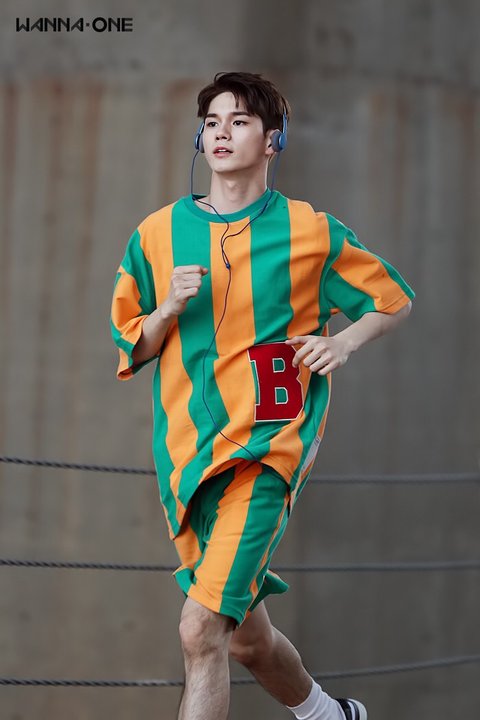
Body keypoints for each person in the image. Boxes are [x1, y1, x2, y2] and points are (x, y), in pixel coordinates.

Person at [110, 71, 414, 720]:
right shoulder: (157, 234)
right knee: (246, 639)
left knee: (200, 629)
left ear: (273, 140)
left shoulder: (311, 231)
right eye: (212, 122)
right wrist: (166, 309)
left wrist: (344, 342)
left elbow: (391, 300)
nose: (221, 133)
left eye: (240, 121)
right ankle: (331, 716)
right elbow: (132, 345)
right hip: (187, 462)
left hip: (269, 453)